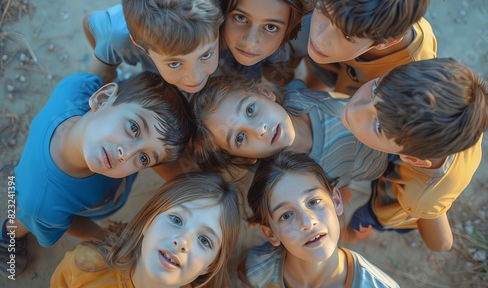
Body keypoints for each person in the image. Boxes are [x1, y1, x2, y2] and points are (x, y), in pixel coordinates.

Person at [0, 70, 194, 278]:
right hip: (38, 201)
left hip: (80, 197)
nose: (126, 154)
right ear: (102, 99)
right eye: (133, 128)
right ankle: (7, 239)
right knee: (24, 220)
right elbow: (68, 222)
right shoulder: (43, 203)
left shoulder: (81, 89)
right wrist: (104, 236)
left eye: (144, 158)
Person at [341, 58, 488, 251]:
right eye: (376, 89)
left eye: (379, 126)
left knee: (361, 221)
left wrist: (431, 207)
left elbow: (441, 244)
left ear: (411, 159)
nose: (355, 108)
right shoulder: (453, 105)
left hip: (395, 203)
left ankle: (348, 235)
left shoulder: (421, 195)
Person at [190, 75, 388, 187]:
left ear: (265, 93)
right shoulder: (300, 181)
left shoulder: (295, 95)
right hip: (375, 168)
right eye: (240, 138)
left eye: (250, 109)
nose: (259, 129)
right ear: (243, 159)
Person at [51, 172, 241, 288]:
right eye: (176, 219)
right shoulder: (84, 267)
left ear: (211, 265)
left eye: (205, 240)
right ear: (148, 222)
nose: (183, 241)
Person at [242, 151, 399, 287]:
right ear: (271, 234)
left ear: (336, 201)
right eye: (286, 215)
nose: (308, 223)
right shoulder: (257, 270)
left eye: (314, 202)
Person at [295, 0, 436, 95]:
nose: (320, 38)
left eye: (347, 36)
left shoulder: (412, 74)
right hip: (336, 62)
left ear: (386, 43)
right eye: (323, 10)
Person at [83, 0, 223, 93]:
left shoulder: (220, 4)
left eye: (206, 55)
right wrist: (106, 55)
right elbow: (90, 22)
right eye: (174, 64)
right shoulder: (117, 35)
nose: (195, 77)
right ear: (139, 44)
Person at [216, 0, 311, 84]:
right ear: (219, 1)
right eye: (241, 18)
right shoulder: (190, 23)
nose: (250, 42)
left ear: (293, 23)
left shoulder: (313, 32)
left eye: (271, 27)